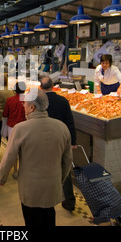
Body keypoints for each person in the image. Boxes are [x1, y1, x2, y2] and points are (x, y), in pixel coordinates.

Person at [0, 89, 73, 226]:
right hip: (52, 185)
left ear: (32, 107)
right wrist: (60, 179)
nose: (23, 106)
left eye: (25, 104)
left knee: (32, 220)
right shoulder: (62, 127)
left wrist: (1, 178)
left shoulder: (20, 129)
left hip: (30, 189)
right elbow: (68, 160)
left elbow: (9, 157)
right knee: (49, 216)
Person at [40, 76, 77, 211]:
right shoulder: (63, 100)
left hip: (44, 140)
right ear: (53, 86)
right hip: (61, 139)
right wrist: (73, 141)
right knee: (64, 169)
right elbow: (70, 121)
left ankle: (46, 198)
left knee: (44, 168)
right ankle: (69, 201)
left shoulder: (39, 101)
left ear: (41, 88)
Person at [2, 81, 26, 178]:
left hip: (12, 127)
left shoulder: (10, 100)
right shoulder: (28, 100)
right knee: (23, 149)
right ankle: (22, 170)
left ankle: (15, 171)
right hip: (25, 127)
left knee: (13, 150)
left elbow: (5, 114)